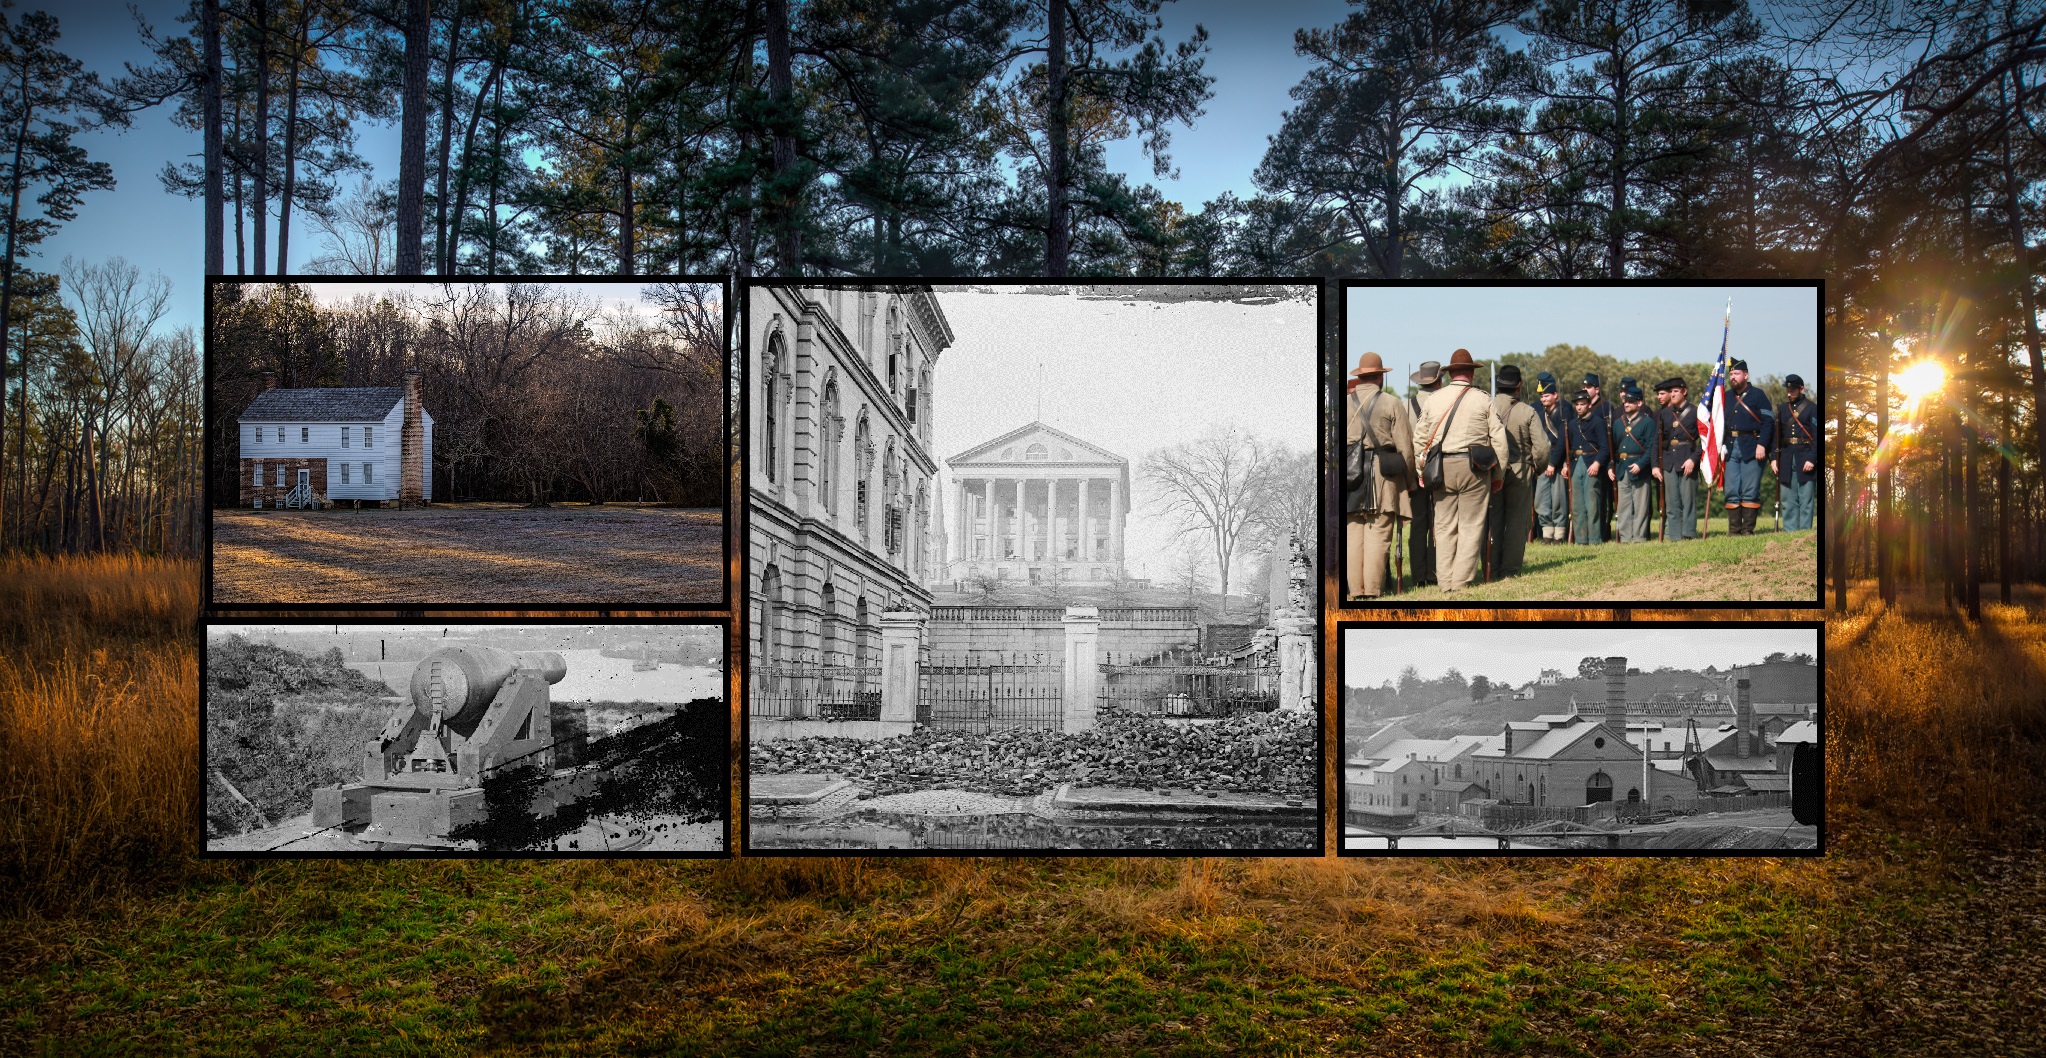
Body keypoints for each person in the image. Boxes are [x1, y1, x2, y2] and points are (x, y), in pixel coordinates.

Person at [1412, 349, 1509, 591]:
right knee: (1471, 524)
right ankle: (1461, 581)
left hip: (1441, 467)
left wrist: (1421, 469)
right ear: (1472, 374)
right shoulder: (1483, 399)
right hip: (1475, 468)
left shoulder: (1434, 399)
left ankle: (1445, 582)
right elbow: (1499, 441)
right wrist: (1498, 475)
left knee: (1443, 526)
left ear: (1450, 373)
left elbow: (1420, 439)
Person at [1344, 351, 1415, 599]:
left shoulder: (1343, 402)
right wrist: (1409, 483)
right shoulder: (1391, 402)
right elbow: (1406, 448)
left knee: (1352, 537)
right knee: (1378, 535)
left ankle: (1355, 592)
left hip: (1350, 477)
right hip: (1383, 477)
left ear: (1361, 377)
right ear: (1380, 377)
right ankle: (1372, 592)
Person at [1487, 364, 1549, 577]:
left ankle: (1492, 567)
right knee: (1516, 521)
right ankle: (1510, 569)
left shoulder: (1488, 406)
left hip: (1493, 468)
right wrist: (1536, 469)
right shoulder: (1527, 411)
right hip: (1521, 469)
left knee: (1494, 520)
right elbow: (1542, 448)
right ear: (1519, 385)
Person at [1720, 358, 1774, 535]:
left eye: (1736, 373)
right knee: (1731, 489)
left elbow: (1768, 422)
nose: (1733, 377)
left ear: (1746, 375)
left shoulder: (1758, 395)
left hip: (1752, 446)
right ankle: (1734, 530)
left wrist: (1762, 445)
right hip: (1730, 446)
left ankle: (1747, 530)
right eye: (1731, 374)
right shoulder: (1726, 396)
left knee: (1750, 490)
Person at [1405, 361, 1443, 585]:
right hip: (1441, 471)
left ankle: (1418, 576)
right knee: (1439, 524)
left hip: (1414, 473)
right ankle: (1434, 573)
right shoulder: (1445, 402)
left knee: (1418, 524)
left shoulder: (1405, 405)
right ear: (1438, 380)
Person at [1657, 377, 1702, 540]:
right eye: (1671, 391)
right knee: (1672, 501)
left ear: (1684, 392)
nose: (1672, 394)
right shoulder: (1664, 414)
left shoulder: (1696, 412)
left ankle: (1688, 533)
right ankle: (1675, 535)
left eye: (1676, 391)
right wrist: (1656, 465)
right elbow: (1658, 441)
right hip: (1669, 461)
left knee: (1688, 500)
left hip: (1687, 459)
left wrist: (1693, 459)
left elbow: (1704, 440)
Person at [1775, 373, 1819, 531]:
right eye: (1788, 390)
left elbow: (1817, 436)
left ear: (1802, 389)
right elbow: (1777, 437)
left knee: (1806, 499)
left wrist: (1812, 459)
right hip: (1786, 457)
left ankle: (1805, 533)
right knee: (1787, 499)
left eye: (1793, 390)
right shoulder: (1782, 409)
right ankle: (1789, 533)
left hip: (1805, 456)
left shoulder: (1812, 408)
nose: (1789, 393)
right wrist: (1774, 459)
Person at [1613, 386, 1657, 543]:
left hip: (1639, 468)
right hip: (1622, 468)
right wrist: (1610, 468)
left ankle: (1639, 537)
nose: (1627, 404)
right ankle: (1625, 537)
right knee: (1623, 506)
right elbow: (1613, 448)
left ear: (1639, 403)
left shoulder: (1648, 422)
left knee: (1640, 506)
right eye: (1625, 401)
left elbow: (1651, 447)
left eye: (1631, 402)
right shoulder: (1618, 423)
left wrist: (1641, 464)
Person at [1568, 391, 1608, 544]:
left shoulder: (1598, 422)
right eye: (1577, 405)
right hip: (1576, 463)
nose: (1579, 407)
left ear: (1589, 405)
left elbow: (1604, 447)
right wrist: (1567, 464)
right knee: (1577, 505)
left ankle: (1594, 538)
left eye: (1582, 404)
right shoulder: (1572, 423)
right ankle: (1580, 539)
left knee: (1592, 505)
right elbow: (1570, 447)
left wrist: (1597, 463)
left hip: (1591, 462)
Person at [1533, 374, 1569, 543]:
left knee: (1558, 499)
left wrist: (1554, 463)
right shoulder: (1541, 414)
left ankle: (1559, 534)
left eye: (1546, 395)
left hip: (1558, 460)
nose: (1543, 399)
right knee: (1541, 499)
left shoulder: (1563, 411)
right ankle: (1547, 534)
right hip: (1544, 460)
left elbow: (1562, 440)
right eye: (1541, 396)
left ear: (1555, 395)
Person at [1582, 373, 1616, 542]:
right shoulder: (1583, 408)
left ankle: (1605, 530)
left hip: (1603, 458)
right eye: (1584, 387)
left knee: (1605, 498)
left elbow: (1611, 437)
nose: (1586, 390)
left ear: (1597, 389)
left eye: (1588, 387)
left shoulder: (1606, 408)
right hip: (1588, 460)